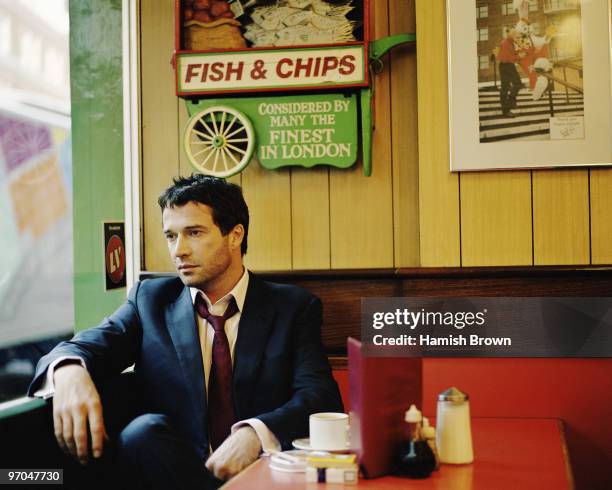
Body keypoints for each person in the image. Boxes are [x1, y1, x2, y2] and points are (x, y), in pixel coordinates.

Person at [28, 174, 343, 489]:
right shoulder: (150, 301)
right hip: (172, 473)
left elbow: (320, 397)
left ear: (235, 236)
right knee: (143, 433)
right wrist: (68, 369)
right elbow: (88, 345)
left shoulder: (292, 307)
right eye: (170, 236)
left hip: (260, 476)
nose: (178, 250)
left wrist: (255, 433)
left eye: (193, 233)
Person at [495, 28, 525, 118]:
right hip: (505, 66)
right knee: (506, 88)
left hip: (509, 65)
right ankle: (506, 110)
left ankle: (511, 100)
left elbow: (512, 54)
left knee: (517, 84)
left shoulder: (510, 43)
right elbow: (507, 57)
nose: (518, 39)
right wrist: (518, 56)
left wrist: (518, 53)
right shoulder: (505, 43)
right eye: (517, 37)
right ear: (512, 36)